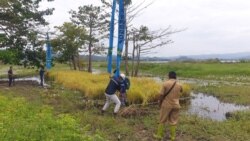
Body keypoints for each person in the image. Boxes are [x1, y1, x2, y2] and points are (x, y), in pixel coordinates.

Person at [154, 71, 182, 141]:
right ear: (175, 76)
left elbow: (161, 94)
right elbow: (181, 92)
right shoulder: (179, 84)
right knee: (173, 121)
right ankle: (172, 137)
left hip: (166, 105)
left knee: (162, 120)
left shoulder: (165, 83)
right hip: (176, 105)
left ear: (169, 76)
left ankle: (159, 136)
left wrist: (159, 102)